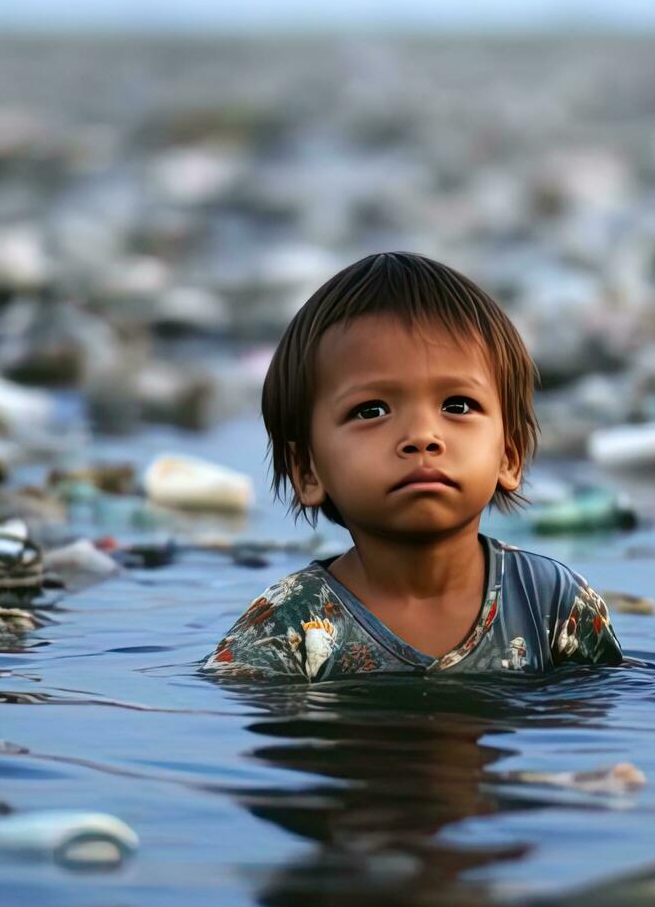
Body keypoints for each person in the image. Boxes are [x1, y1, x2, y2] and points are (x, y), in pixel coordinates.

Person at [202, 252, 623, 681]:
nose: (423, 435)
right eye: (371, 410)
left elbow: (601, 708)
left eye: (457, 405)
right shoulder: (292, 622)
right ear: (308, 471)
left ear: (508, 456)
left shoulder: (549, 601)